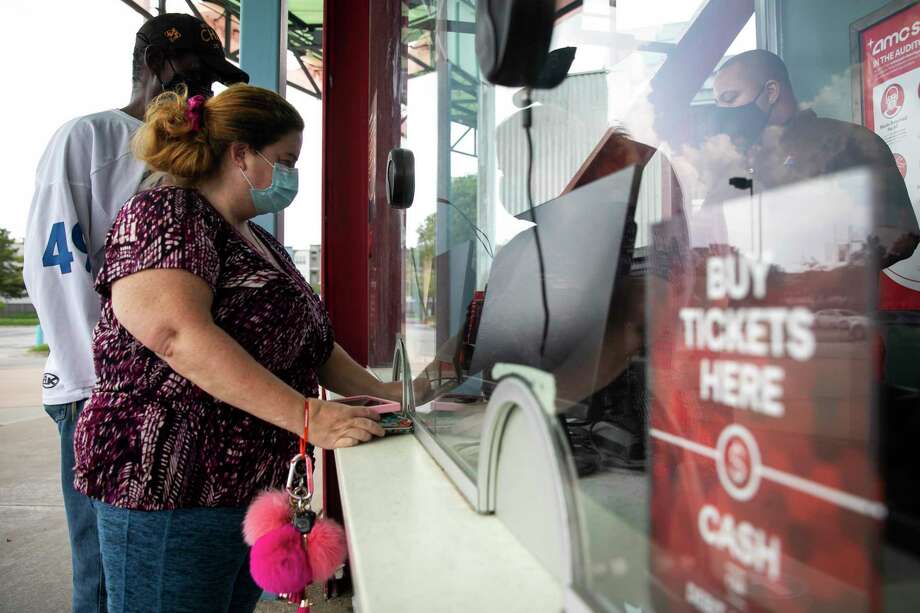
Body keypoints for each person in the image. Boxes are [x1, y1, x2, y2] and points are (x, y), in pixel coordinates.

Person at [72, 83, 399, 613]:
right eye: (285, 160)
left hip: (244, 491)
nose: (292, 175)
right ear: (241, 153)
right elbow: (176, 335)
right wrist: (307, 416)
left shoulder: (258, 239)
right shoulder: (165, 213)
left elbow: (313, 347)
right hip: (170, 488)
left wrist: (391, 394)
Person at [22, 13, 246, 613]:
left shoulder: (198, 153)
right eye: (194, 74)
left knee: (151, 569)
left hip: (173, 392)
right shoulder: (90, 137)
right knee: (102, 572)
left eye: (213, 81)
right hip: (102, 390)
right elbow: (56, 264)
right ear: (152, 65)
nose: (203, 92)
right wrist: (104, 380)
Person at [706, 49, 918, 265]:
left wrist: (815, 266)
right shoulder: (734, 162)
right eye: (718, 104)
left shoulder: (847, 142)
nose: (723, 112)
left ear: (771, 92)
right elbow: (707, 234)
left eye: (730, 98)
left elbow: (899, 234)